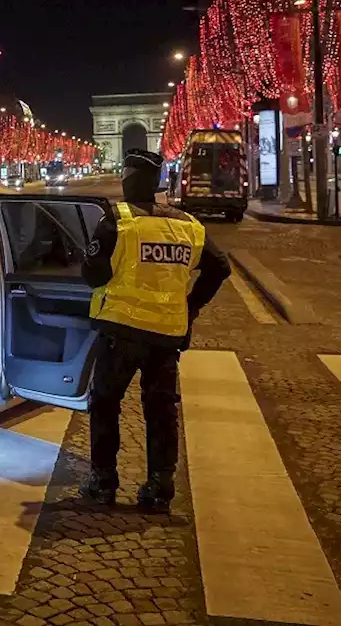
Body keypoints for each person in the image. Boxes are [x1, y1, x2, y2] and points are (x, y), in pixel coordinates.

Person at [81, 148, 230, 513]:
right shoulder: (188, 225)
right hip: (166, 335)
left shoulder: (118, 220)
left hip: (121, 332)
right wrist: (191, 306)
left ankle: (104, 480)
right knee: (161, 410)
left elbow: (93, 275)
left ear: (130, 180)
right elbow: (220, 267)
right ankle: (160, 486)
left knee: (105, 404)